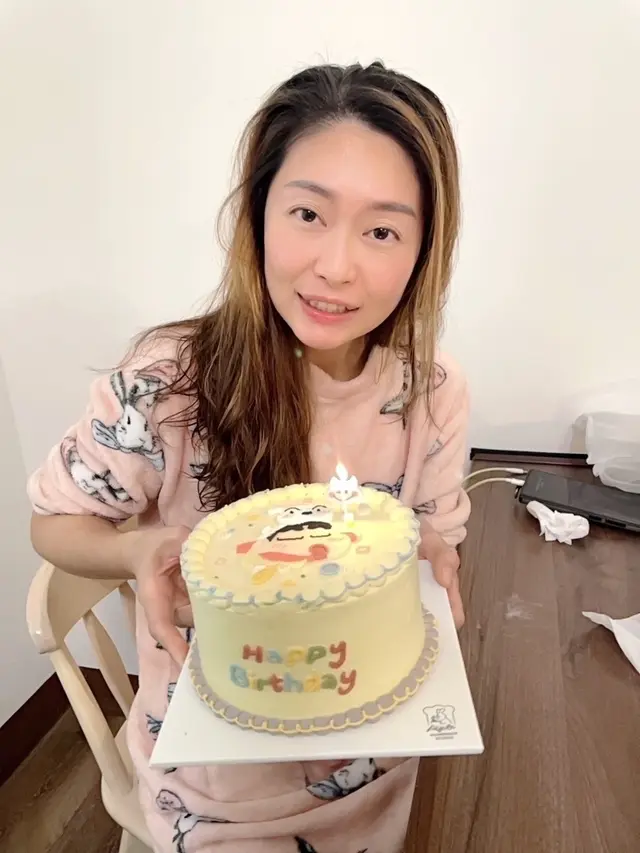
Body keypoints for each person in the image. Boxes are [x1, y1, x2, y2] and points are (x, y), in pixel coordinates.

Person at [29, 61, 471, 853]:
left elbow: (431, 541)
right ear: (258, 214)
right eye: (308, 213)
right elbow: (53, 522)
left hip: (381, 752)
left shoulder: (432, 389)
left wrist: (424, 546)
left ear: (423, 249)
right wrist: (134, 549)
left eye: (381, 231)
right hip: (220, 789)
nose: (336, 266)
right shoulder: (168, 383)